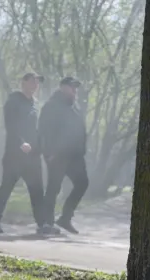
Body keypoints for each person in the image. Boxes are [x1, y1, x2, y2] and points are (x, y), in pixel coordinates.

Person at [0, 73, 56, 235]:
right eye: (33, 81)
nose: (35, 84)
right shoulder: (13, 101)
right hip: (14, 155)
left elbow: (37, 131)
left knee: (37, 190)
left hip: (32, 156)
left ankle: (42, 224)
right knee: (6, 187)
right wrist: (21, 142)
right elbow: (10, 126)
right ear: (24, 82)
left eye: (37, 82)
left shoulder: (35, 104)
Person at [38, 76, 88, 234]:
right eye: (72, 86)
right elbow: (43, 131)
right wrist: (48, 153)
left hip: (75, 155)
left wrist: (83, 149)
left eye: (76, 87)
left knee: (82, 183)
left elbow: (80, 130)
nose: (75, 89)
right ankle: (46, 223)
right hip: (57, 155)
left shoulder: (75, 107)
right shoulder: (51, 106)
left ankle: (65, 218)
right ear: (62, 87)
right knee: (54, 188)